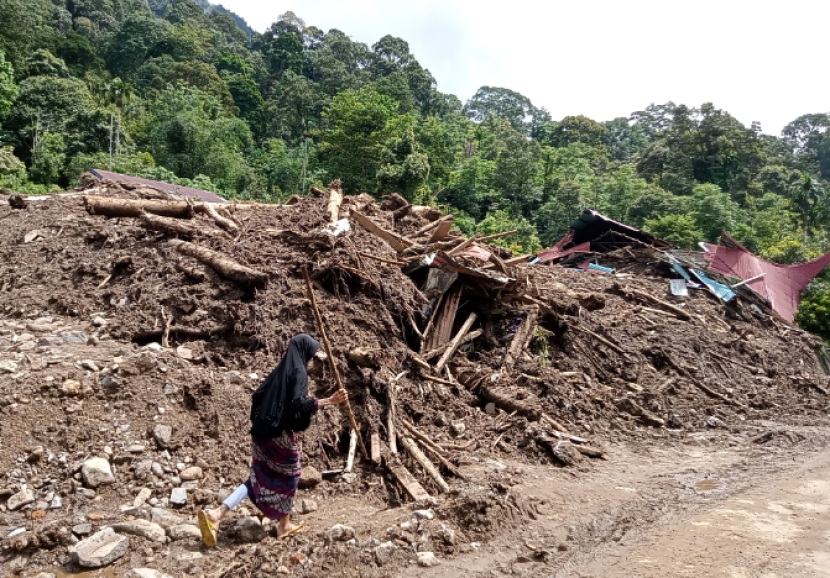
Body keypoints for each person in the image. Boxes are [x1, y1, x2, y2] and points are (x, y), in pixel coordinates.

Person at [198, 334, 348, 545]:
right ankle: (284, 525)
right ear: (304, 353)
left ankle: (216, 514)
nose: (311, 360)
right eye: (311, 355)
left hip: (260, 434)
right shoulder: (299, 372)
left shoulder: (280, 373)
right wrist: (328, 401)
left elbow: (257, 396)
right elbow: (297, 404)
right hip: (278, 435)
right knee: (293, 474)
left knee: (257, 477)